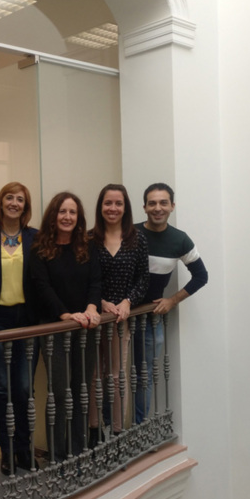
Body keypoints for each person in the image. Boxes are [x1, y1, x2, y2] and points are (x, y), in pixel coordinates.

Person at [30, 192, 101, 461]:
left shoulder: (88, 246)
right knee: (60, 392)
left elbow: (96, 282)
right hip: (54, 329)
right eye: (62, 211)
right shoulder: (40, 248)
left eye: (72, 212)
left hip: (85, 330)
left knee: (82, 389)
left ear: (78, 217)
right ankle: (59, 455)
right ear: (53, 215)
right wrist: (64, 315)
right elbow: (42, 287)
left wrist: (92, 308)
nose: (67, 217)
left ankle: (79, 449)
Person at [0, 182, 39, 475]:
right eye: (9, 198)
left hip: (27, 321)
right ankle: (7, 451)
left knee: (25, 389)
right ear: (0, 202)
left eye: (20, 199)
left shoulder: (35, 238)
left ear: (26, 207)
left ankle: (25, 449)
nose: (14, 203)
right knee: (1, 389)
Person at [135, 182, 208, 423]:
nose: (158, 208)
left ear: (172, 206)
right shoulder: (130, 234)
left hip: (150, 318)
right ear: (144, 206)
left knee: (143, 376)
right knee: (112, 375)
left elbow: (201, 276)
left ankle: (138, 429)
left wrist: (172, 300)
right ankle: (108, 434)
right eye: (152, 203)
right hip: (119, 316)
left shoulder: (180, 240)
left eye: (163, 203)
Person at [89, 184, 149, 441]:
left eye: (118, 203)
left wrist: (128, 302)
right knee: (92, 376)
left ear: (126, 208)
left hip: (121, 320)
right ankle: (94, 431)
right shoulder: (89, 238)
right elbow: (83, 279)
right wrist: (100, 302)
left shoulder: (137, 238)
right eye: (108, 203)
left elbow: (143, 278)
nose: (113, 208)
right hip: (93, 318)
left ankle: (115, 430)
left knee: (115, 375)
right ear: (100, 207)